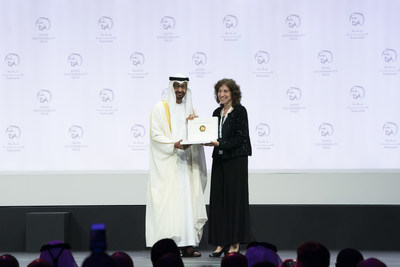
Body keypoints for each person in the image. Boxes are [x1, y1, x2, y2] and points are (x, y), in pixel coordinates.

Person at [146, 73, 207, 257]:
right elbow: (155, 135)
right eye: (176, 86)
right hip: (168, 166)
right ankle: (170, 247)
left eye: (183, 86)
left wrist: (198, 134)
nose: (180, 90)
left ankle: (188, 244)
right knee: (170, 206)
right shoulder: (160, 108)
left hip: (186, 166)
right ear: (171, 87)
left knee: (187, 204)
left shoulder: (191, 109)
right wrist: (175, 144)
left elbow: (196, 134)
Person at [206, 78, 252, 257]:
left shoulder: (240, 111)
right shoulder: (216, 112)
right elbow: (209, 133)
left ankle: (234, 242)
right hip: (219, 159)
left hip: (236, 160)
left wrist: (220, 143)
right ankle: (221, 243)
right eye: (219, 91)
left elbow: (241, 138)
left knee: (234, 201)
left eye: (225, 91)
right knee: (218, 201)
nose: (222, 94)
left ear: (233, 93)